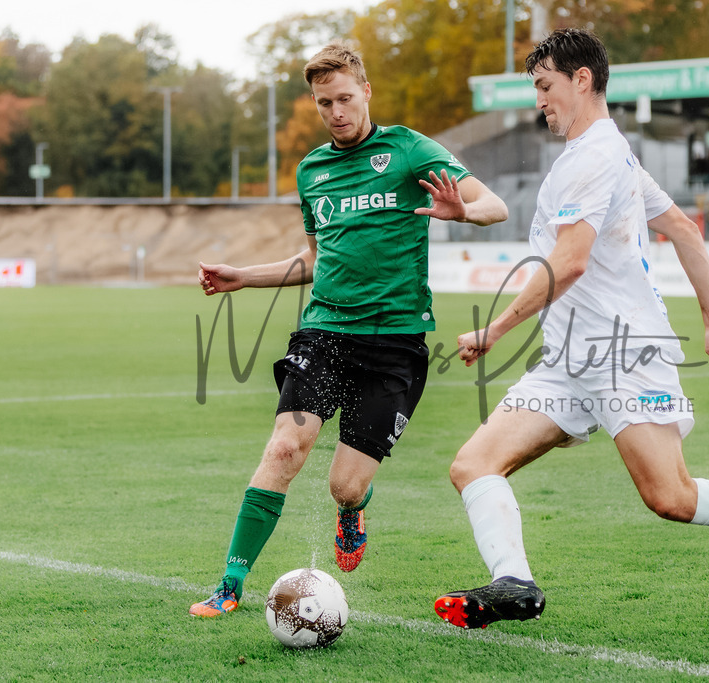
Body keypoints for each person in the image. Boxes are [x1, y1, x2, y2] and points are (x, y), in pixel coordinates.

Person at [433, 28, 709, 631]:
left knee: (670, 497)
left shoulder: (597, 157)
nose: (539, 101)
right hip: (570, 361)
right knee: (473, 464)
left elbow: (570, 262)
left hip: (625, 354)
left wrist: (495, 329)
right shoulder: (606, 154)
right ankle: (514, 582)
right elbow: (683, 230)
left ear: (582, 79)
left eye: (545, 86)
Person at [189, 42, 508, 617]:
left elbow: (496, 206)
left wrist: (463, 211)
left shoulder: (409, 150)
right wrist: (244, 277)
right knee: (286, 447)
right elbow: (316, 259)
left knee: (346, 485)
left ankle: (350, 511)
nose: (335, 111)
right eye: (322, 103)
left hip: (394, 345)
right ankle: (230, 585)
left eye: (343, 98)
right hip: (324, 333)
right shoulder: (312, 171)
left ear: (365, 92)